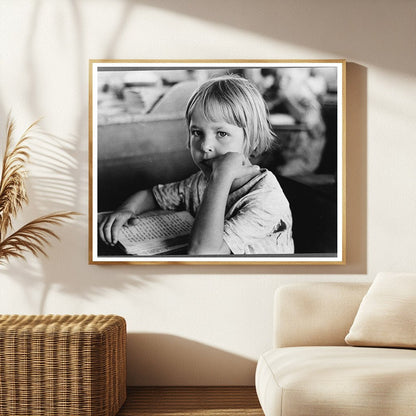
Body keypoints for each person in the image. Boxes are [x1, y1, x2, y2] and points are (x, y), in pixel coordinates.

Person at [99, 74, 294, 255]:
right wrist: (128, 209)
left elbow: (202, 254)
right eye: (197, 133)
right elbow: (153, 196)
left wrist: (221, 177)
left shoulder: (266, 200)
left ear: (252, 141)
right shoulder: (198, 182)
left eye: (222, 133)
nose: (206, 145)